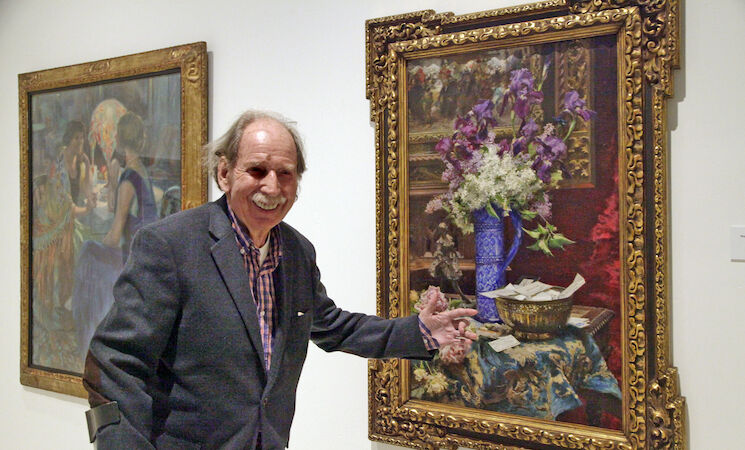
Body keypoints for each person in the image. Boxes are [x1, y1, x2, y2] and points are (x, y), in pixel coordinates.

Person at [83, 110, 477, 449]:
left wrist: (420, 332)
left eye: (285, 174)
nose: (272, 187)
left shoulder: (297, 252)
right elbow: (115, 360)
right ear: (224, 172)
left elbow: (334, 327)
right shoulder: (170, 245)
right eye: (257, 170)